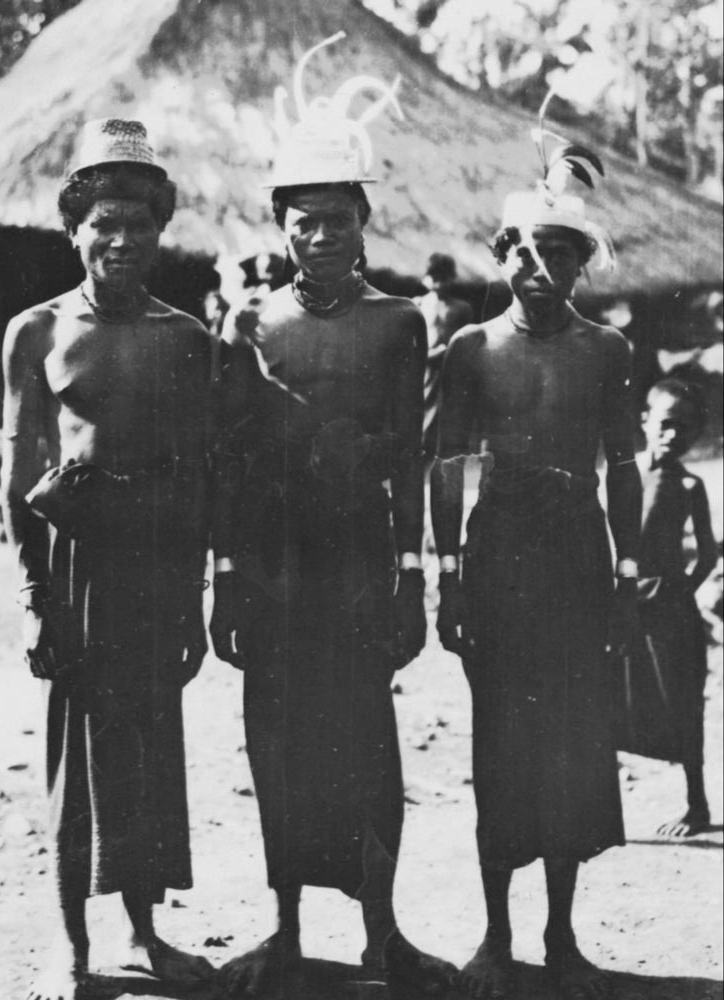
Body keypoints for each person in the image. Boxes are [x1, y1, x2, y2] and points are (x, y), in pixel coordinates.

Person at [209, 34, 457, 1000]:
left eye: (338, 220)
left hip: (358, 563)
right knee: (275, 744)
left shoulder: (400, 323)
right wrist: (227, 577)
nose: (321, 237)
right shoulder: (250, 324)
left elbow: (411, 455)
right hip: (275, 565)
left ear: (364, 223)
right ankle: (284, 934)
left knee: (366, 745)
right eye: (304, 223)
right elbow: (231, 465)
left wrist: (413, 581)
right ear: (282, 228)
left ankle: (382, 936)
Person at [0, 119, 215, 1000]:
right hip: (76, 568)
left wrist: (194, 601)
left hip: (155, 566)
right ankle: (71, 948)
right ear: (74, 230)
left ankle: (142, 933)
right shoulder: (35, 332)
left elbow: (199, 480)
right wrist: (33, 596)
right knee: (73, 759)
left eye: (139, 223)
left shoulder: (187, 337)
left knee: (149, 747)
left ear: (161, 232)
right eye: (103, 223)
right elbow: (18, 475)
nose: (121, 240)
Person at [431, 139, 642, 1000]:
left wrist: (628, 572)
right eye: (527, 249)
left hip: (578, 560)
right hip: (499, 559)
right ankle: (496, 935)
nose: (543, 265)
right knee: (502, 745)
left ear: (583, 263)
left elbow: (623, 465)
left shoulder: (607, 353)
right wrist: (446, 572)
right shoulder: (472, 350)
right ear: (501, 255)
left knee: (570, 743)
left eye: (562, 251)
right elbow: (445, 465)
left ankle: (561, 935)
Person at [618, 377, 716, 837]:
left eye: (685, 428)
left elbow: (709, 553)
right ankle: (600, 809)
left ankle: (696, 805)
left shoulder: (690, 484)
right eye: (666, 423)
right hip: (621, 607)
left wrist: (681, 589)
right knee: (609, 697)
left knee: (682, 702)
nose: (673, 434)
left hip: (670, 612)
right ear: (645, 422)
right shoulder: (621, 473)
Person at [414, 252, 473, 462]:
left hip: (451, 369)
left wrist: (448, 352)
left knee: (450, 418)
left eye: (443, 278)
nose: (439, 284)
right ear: (426, 278)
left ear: (451, 278)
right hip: (425, 368)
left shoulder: (461, 308)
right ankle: (420, 458)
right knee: (421, 415)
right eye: (435, 278)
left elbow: (467, 341)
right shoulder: (418, 305)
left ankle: (445, 459)